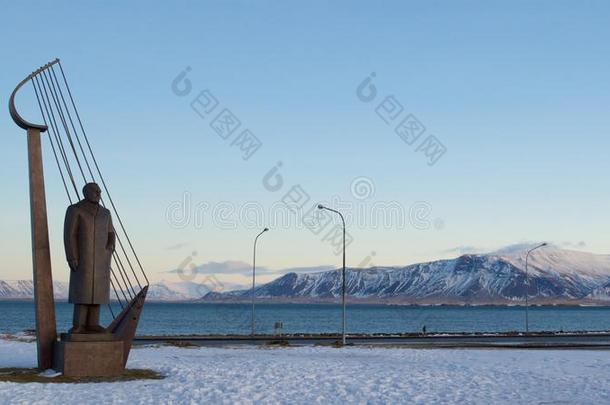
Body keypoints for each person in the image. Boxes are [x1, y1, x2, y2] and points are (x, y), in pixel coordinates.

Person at [64, 182, 115, 333]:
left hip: (101, 258)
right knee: (83, 291)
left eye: (100, 191)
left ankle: (93, 323)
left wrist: (110, 246)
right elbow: (69, 234)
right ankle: (78, 324)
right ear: (86, 193)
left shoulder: (106, 213)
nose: (99, 194)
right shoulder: (75, 210)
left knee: (97, 292)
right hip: (83, 258)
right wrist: (72, 256)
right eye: (95, 191)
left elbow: (111, 232)